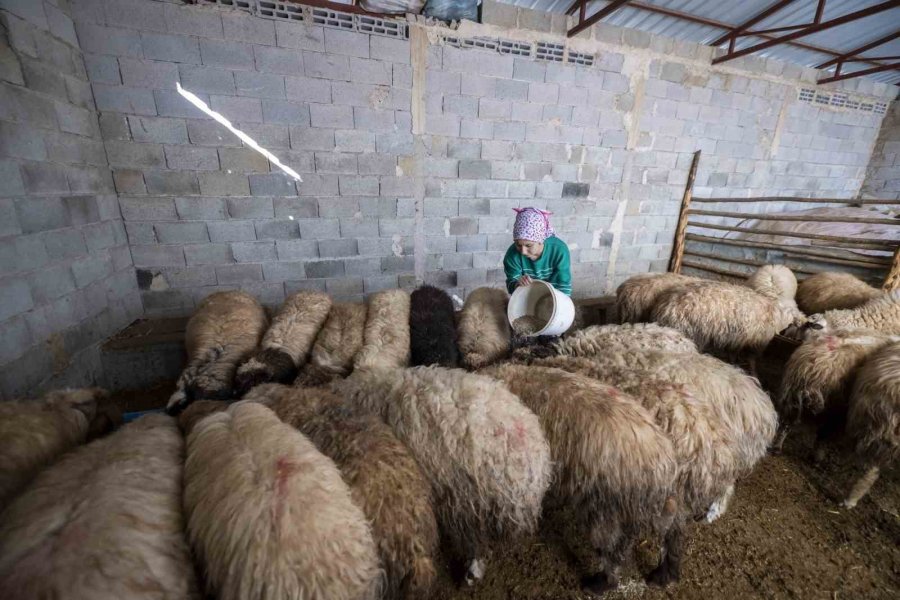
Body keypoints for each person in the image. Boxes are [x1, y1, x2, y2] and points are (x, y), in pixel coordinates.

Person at [503, 207, 572, 296]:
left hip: (554, 295)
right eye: (518, 245)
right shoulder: (512, 256)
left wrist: (562, 305)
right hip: (528, 295)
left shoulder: (559, 251)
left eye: (528, 245)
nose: (523, 251)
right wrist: (517, 284)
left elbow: (564, 284)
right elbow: (511, 285)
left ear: (540, 240)